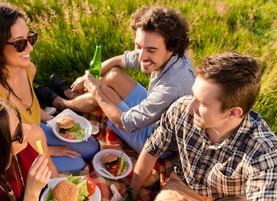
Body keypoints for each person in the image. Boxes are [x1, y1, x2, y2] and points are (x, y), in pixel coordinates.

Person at [130, 52, 277, 201]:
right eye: (193, 95)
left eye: (202, 103)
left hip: (230, 199)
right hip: (183, 187)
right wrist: (131, 192)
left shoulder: (263, 150)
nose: (190, 106)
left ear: (233, 113)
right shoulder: (182, 109)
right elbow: (153, 148)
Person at [0, 1, 99, 173]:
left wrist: (53, 121)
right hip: (19, 151)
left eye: (30, 38)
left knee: (92, 147)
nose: (30, 47)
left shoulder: (27, 68)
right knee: (78, 163)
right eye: (20, 43)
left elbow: (30, 105)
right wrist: (49, 152)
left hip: (37, 132)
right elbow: (5, 151)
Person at [47, 6, 196, 153]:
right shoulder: (169, 56)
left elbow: (125, 123)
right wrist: (88, 77)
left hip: (155, 143)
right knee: (113, 75)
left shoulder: (172, 87)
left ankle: (62, 103)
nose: (142, 56)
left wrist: (95, 90)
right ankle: (73, 96)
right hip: (156, 116)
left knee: (104, 92)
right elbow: (121, 60)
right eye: (138, 46)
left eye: (150, 50)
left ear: (171, 49)